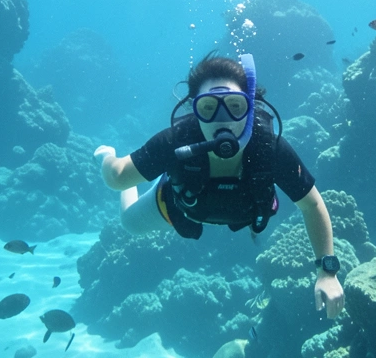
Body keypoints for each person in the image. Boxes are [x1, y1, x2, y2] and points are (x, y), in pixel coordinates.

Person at [95, 53, 346, 318]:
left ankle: (160, 171)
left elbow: (312, 204)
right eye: (208, 108)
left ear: (250, 108)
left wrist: (327, 271)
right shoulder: (174, 142)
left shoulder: (270, 148)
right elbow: (117, 176)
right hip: (179, 202)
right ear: (194, 110)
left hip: (238, 208)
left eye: (235, 106)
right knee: (129, 223)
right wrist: (107, 160)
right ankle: (143, 167)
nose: (222, 119)